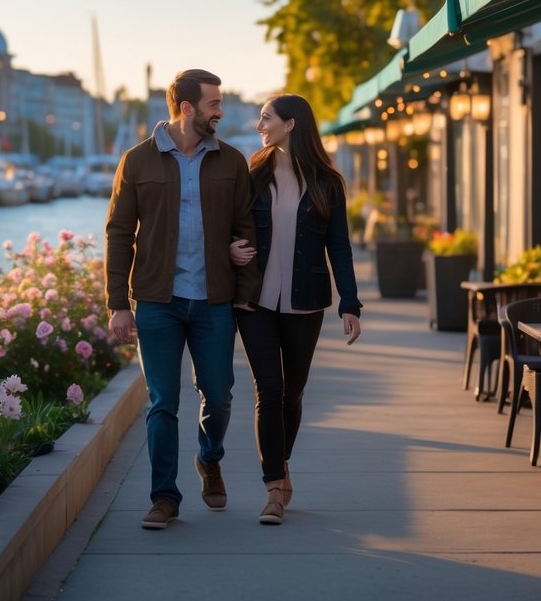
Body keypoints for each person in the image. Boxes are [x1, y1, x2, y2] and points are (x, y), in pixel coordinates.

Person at [105, 68, 259, 530]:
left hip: (213, 301)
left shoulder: (231, 161)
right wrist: (118, 303)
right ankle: (164, 498)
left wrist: (244, 287)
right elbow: (118, 233)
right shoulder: (137, 161)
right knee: (162, 402)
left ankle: (209, 458)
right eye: (214, 104)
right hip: (157, 301)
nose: (221, 111)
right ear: (187, 108)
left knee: (220, 394)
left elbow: (246, 229)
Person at [229, 93, 362, 525]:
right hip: (255, 303)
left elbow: (339, 247)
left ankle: (280, 464)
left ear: (290, 124)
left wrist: (350, 302)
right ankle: (273, 489)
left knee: (292, 394)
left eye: (266, 118)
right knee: (268, 390)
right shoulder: (251, 176)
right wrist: (230, 248)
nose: (259, 125)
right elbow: (227, 228)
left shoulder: (328, 183)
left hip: (306, 304)